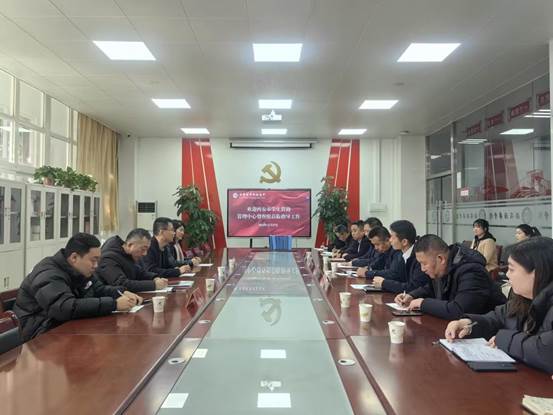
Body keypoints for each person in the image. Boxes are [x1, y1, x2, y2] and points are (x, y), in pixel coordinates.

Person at [445, 237, 553, 374]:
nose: (507, 275)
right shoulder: (523, 298)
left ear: (537, 273)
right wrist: (469, 324)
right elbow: (498, 318)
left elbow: (545, 351)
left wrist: (503, 339)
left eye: (512, 269)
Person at [13, 233, 142, 341]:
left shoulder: (80, 270)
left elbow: (99, 289)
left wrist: (121, 292)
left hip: (62, 327)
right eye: (93, 260)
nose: (96, 266)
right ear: (74, 257)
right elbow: (65, 307)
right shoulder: (48, 273)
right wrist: (114, 304)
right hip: (39, 335)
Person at [394, 234, 506, 320]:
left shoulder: (471, 271)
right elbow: (431, 288)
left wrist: (423, 303)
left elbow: (459, 310)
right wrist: (412, 295)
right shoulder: (445, 266)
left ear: (440, 259)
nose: (422, 269)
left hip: (487, 335)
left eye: (424, 263)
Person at [96, 228, 168, 292]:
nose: (145, 254)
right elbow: (121, 284)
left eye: (147, 250)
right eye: (143, 249)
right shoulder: (108, 258)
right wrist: (154, 285)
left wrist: (154, 278)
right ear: (130, 245)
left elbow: (139, 273)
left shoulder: (128, 254)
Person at [372, 220, 431, 293]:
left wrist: (384, 283)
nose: (390, 240)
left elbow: (413, 287)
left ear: (404, 242)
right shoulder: (401, 254)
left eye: (392, 237)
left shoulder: (418, 258)